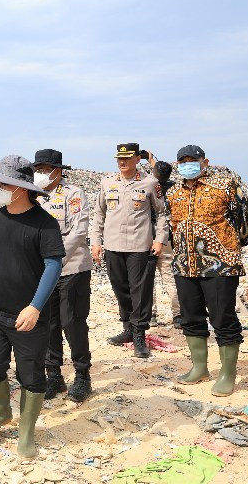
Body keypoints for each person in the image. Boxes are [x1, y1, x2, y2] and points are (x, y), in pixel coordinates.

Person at [0, 155, 64, 458]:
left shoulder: (45, 224)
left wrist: (34, 307)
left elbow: (53, 266)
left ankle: (27, 432)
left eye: (3, 183)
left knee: (31, 374)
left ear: (20, 188)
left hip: (28, 315)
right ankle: (2, 411)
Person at [166, 145, 245, 397]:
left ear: (205, 162)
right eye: (183, 161)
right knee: (191, 317)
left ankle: (227, 375)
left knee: (223, 317)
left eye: (193, 160)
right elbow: (171, 224)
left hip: (220, 265)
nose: (188, 164)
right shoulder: (174, 192)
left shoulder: (225, 186)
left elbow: (243, 221)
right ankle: (199, 367)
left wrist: (229, 247)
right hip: (184, 264)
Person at [90, 143, 169, 358]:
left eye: (127, 158)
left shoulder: (150, 183)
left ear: (137, 159)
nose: (122, 163)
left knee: (140, 292)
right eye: (119, 159)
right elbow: (99, 213)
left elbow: (162, 213)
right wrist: (96, 241)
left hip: (139, 246)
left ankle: (139, 334)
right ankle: (128, 328)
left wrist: (160, 239)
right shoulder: (107, 182)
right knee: (120, 289)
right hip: (113, 246)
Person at [32, 149, 93, 402]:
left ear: (58, 171)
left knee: (72, 322)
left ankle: (82, 376)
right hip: (43, 273)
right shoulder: (33, 196)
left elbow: (78, 232)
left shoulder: (73, 194)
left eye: (46, 169)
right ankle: (54, 375)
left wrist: (54, 259)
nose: (41, 174)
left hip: (71, 268)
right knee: (49, 324)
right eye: (38, 169)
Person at [148, 154, 182, 329]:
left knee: (148, 278)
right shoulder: (174, 188)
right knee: (169, 276)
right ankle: (178, 315)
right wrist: (153, 161)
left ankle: (151, 315)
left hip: (147, 234)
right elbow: (160, 174)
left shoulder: (149, 186)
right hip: (166, 235)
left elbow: (153, 177)